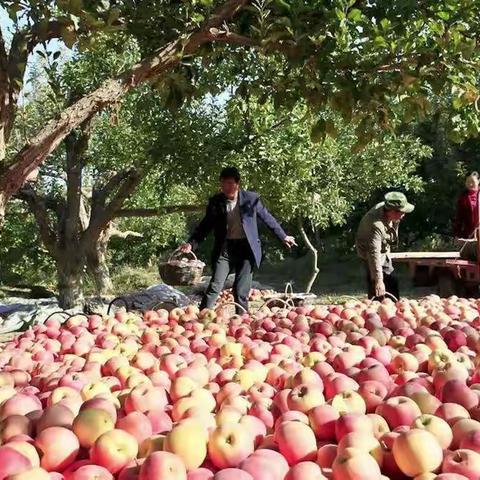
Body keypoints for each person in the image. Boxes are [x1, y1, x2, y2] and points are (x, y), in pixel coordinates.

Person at [179, 167, 296, 313]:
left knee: (241, 290)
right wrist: (191, 243)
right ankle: (201, 318)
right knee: (215, 285)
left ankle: (242, 322)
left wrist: (283, 236)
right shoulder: (216, 202)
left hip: (246, 250)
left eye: (229, 183)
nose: (226, 187)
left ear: (237, 183)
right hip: (225, 250)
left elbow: (267, 218)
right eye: (223, 183)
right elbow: (205, 226)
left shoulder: (251, 199)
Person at [356, 192, 414, 300]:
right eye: (402, 212)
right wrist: (378, 280)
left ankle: (394, 310)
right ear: (392, 211)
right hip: (369, 252)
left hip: (383, 248)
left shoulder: (391, 212)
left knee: (391, 282)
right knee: (376, 286)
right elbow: (374, 253)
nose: (403, 215)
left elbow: (392, 230)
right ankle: (376, 310)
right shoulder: (376, 225)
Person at [453, 171, 480, 240]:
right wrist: (457, 234)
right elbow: (459, 218)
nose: (470, 184)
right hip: (470, 234)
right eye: (468, 182)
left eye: (472, 181)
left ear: (478, 181)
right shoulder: (463, 198)